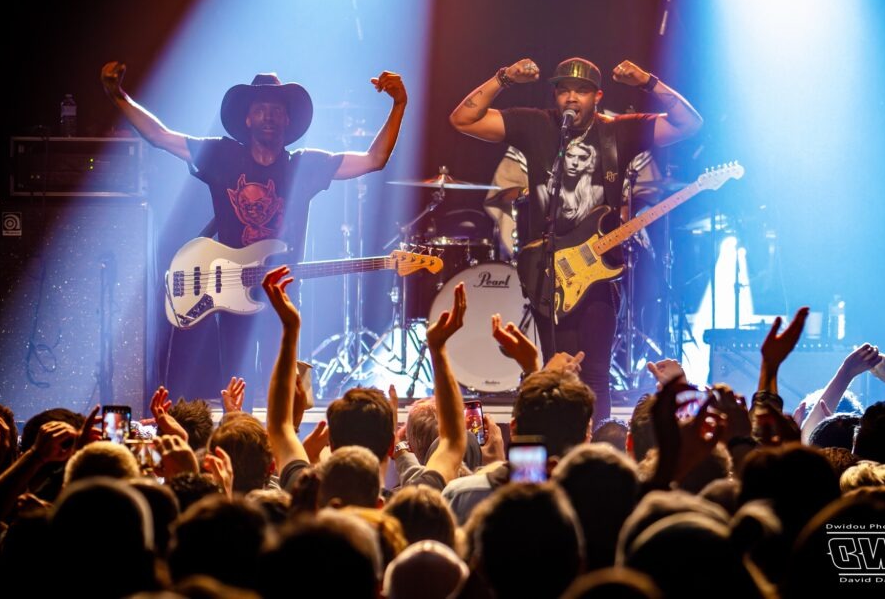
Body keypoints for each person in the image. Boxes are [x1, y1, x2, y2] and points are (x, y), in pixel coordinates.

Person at [101, 62, 407, 404]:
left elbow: (374, 159)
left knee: (280, 388)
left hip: (282, 293)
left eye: (276, 110)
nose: (268, 116)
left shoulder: (304, 165)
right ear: (247, 120)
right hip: (231, 290)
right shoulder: (222, 155)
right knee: (236, 385)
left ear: (287, 121)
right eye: (260, 110)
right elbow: (159, 136)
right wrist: (119, 95)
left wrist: (398, 105)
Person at [450, 57, 701, 425]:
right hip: (549, 271)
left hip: (600, 274)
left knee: (596, 373)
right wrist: (502, 77)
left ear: (597, 96)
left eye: (581, 90)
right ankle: (558, 451)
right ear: (555, 95)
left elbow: (690, 124)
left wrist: (648, 82)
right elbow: (462, 119)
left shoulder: (619, 132)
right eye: (564, 89)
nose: (571, 97)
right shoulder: (535, 125)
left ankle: (594, 448)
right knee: (556, 372)